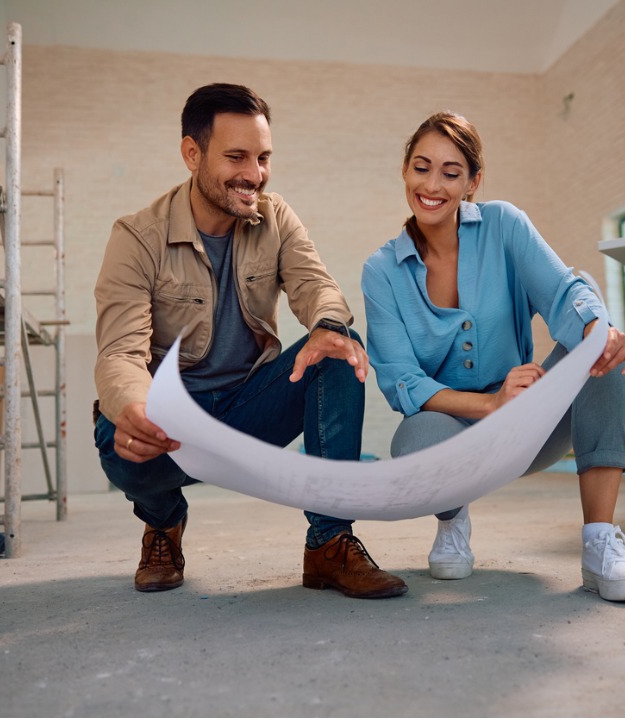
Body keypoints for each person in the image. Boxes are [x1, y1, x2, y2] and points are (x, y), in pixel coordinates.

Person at [93, 83, 406, 599]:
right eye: (236, 157)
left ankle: (329, 542)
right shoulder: (136, 236)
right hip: (172, 418)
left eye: (263, 158)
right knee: (117, 433)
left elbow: (315, 286)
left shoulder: (276, 216)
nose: (254, 174)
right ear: (192, 154)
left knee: (336, 347)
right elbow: (120, 353)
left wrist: (327, 323)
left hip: (248, 408)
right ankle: (163, 522)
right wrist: (134, 407)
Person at [360, 111, 625, 602]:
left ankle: (600, 543)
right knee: (413, 442)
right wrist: (492, 403)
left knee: (597, 347)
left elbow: (563, 292)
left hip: (530, 426)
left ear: (473, 181)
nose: (432, 185)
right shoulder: (382, 270)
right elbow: (402, 382)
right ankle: (452, 522)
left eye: (451, 173)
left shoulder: (504, 224)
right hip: (455, 433)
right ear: (405, 171)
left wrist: (596, 329)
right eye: (421, 167)